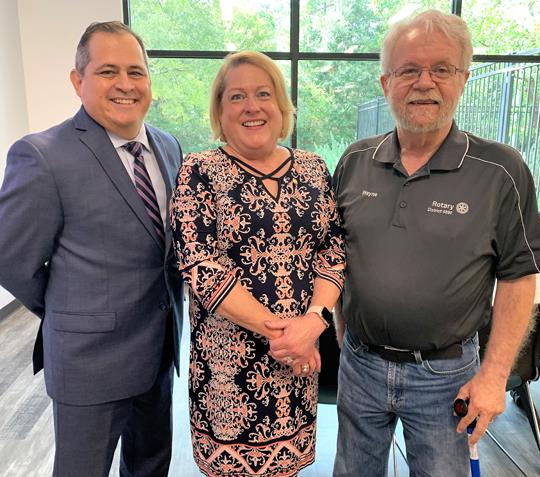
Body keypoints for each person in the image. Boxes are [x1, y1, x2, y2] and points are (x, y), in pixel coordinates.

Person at [332, 9, 540, 477]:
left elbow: (518, 278)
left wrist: (494, 376)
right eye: (409, 70)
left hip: (446, 376)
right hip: (360, 365)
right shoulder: (354, 161)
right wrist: (342, 330)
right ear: (386, 82)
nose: (424, 83)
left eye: (441, 69)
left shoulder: (501, 171)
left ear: (463, 79)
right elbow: (334, 256)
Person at [0, 21, 184, 477]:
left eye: (136, 71)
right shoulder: (42, 155)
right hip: (89, 363)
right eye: (107, 71)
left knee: (151, 466)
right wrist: (69, 309)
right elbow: (11, 260)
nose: (125, 84)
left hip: (159, 353)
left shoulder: (168, 146)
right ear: (77, 80)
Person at [170, 50, 345, 477]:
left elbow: (333, 249)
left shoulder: (313, 168)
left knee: (288, 467)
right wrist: (287, 335)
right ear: (220, 110)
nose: (252, 106)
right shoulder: (199, 171)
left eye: (264, 94)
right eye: (237, 96)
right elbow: (200, 265)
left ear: (281, 105)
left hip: (299, 363)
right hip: (228, 372)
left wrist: (314, 321)